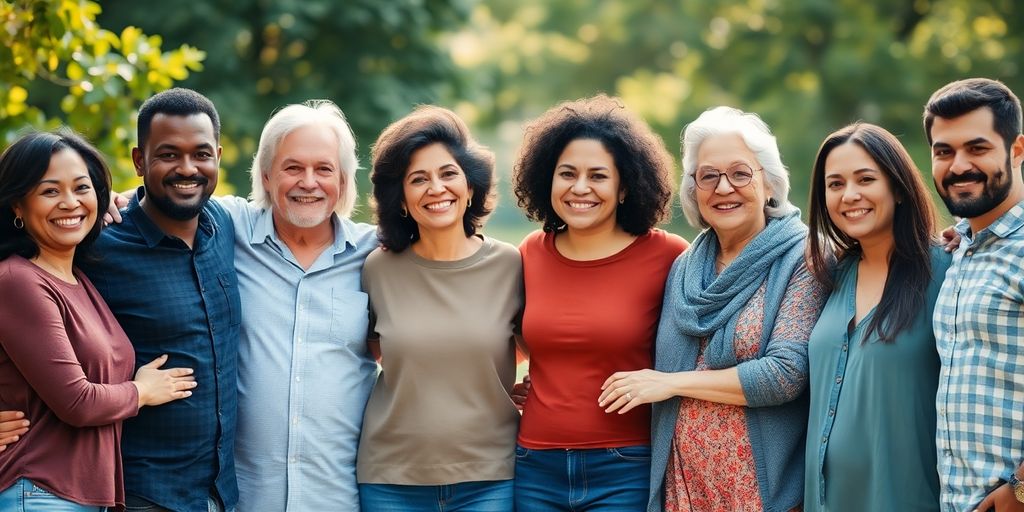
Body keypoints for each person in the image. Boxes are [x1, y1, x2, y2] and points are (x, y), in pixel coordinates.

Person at [600, 106, 826, 512]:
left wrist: (672, 383)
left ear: (770, 184)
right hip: (684, 489)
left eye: (740, 173)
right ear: (694, 191)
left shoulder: (803, 257)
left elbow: (784, 376)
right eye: (709, 176)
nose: (724, 188)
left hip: (761, 494)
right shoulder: (685, 268)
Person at [0, 130, 196, 511]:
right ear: (17, 206)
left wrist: (113, 206)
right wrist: (142, 392)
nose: (69, 202)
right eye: (50, 191)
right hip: (40, 493)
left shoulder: (79, 279)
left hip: (80, 497)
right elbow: (77, 401)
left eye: (81, 188)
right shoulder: (18, 281)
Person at [511, 94, 688, 510]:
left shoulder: (668, 256)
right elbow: (519, 338)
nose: (580, 188)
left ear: (625, 186)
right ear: (547, 180)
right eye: (567, 174)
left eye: (598, 176)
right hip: (534, 463)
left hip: (625, 463)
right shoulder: (529, 253)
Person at [77, 88, 241, 512]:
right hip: (142, 493)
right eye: (168, 154)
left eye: (201, 154)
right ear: (138, 160)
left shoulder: (223, 224)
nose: (187, 169)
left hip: (222, 494)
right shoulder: (97, 245)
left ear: (218, 156)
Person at [355, 105, 522, 511]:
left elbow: (540, 346)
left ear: (470, 188)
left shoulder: (513, 264)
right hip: (391, 479)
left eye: (448, 174)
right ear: (401, 198)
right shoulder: (376, 269)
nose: (436, 188)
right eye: (418, 179)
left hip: (490, 478)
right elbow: (375, 349)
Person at [216, 100, 379, 511]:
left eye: (324, 169)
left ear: (342, 181)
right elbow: (164, 197)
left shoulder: (376, 251)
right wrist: (119, 199)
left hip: (340, 498)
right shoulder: (227, 228)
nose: (308, 182)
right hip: (246, 498)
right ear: (267, 176)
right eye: (293, 168)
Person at [804, 123, 949, 511]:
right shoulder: (831, 275)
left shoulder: (947, 271)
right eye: (834, 184)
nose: (850, 195)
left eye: (865, 179)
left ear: (898, 188)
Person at [924, 78, 1024, 512]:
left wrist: (1021, 488)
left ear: (1016, 150)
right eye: (944, 151)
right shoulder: (960, 247)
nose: (959, 165)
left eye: (977, 148)